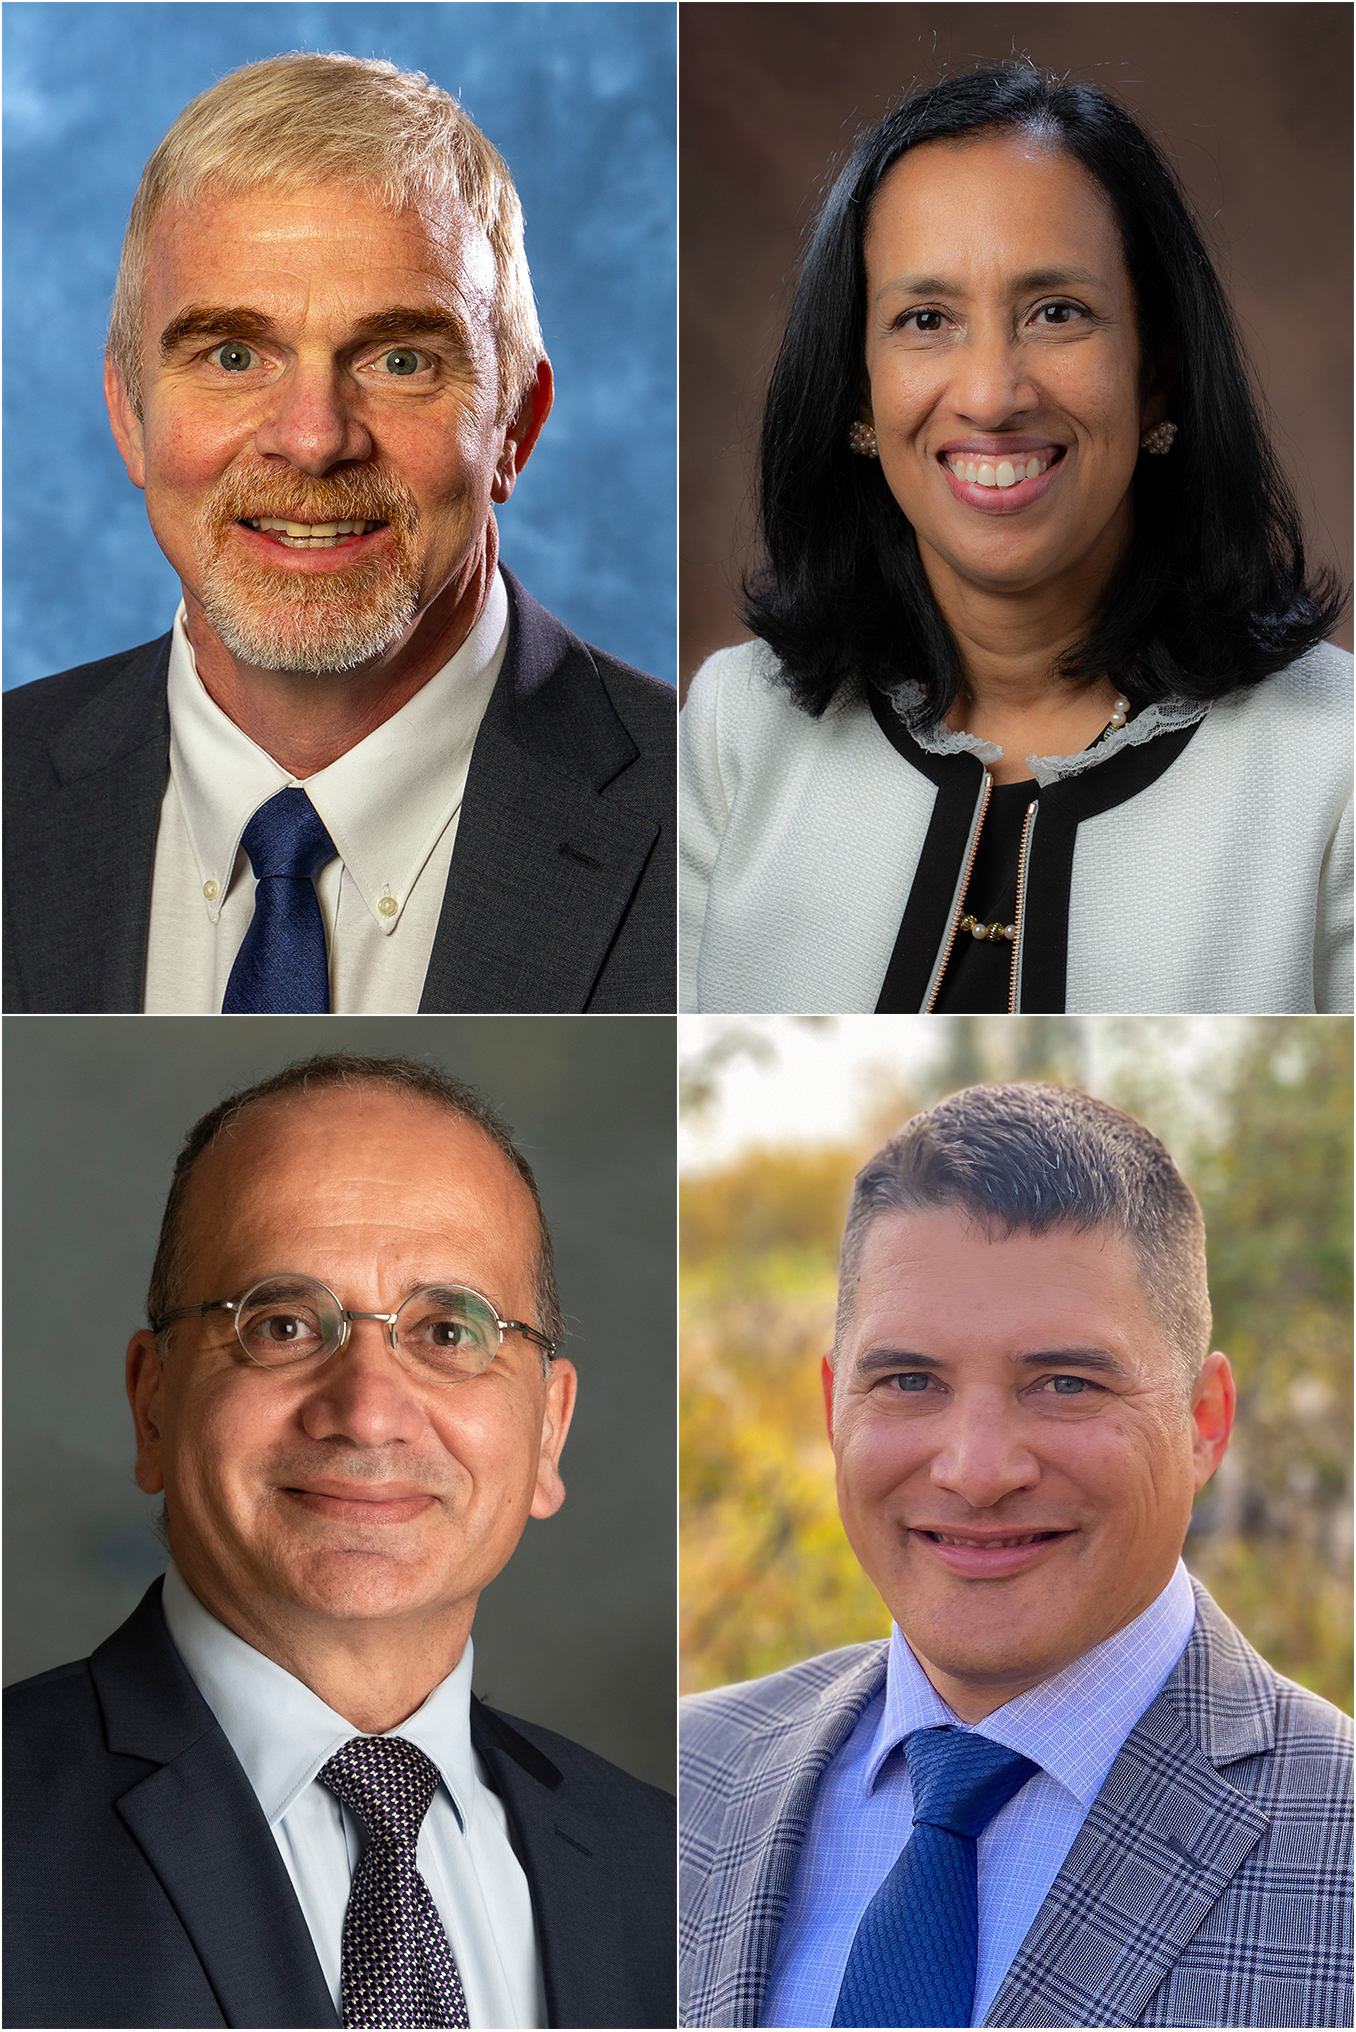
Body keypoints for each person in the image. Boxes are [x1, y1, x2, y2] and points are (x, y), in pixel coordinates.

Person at [6, 1052, 674, 2029]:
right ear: (153, 1402)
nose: (367, 1413)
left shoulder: (672, 1863)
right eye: (281, 1325)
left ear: (548, 1431)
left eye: (449, 1333)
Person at [4, 53, 674, 1015]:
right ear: (130, 417)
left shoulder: (708, 825)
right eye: (233, 355)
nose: (314, 439)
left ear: (513, 427)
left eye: (401, 359)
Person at [680, 65, 1351, 1016]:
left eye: (1057, 313)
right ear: (857, 394)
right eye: (926, 319)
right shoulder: (733, 730)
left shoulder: (1335, 761)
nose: (993, 394)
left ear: (1157, 375)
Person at [680, 1083, 1353, 2029]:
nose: (979, 1470)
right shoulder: (679, 1779)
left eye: (1066, 1384)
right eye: (910, 1380)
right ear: (836, 1406)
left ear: (1204, 1422)